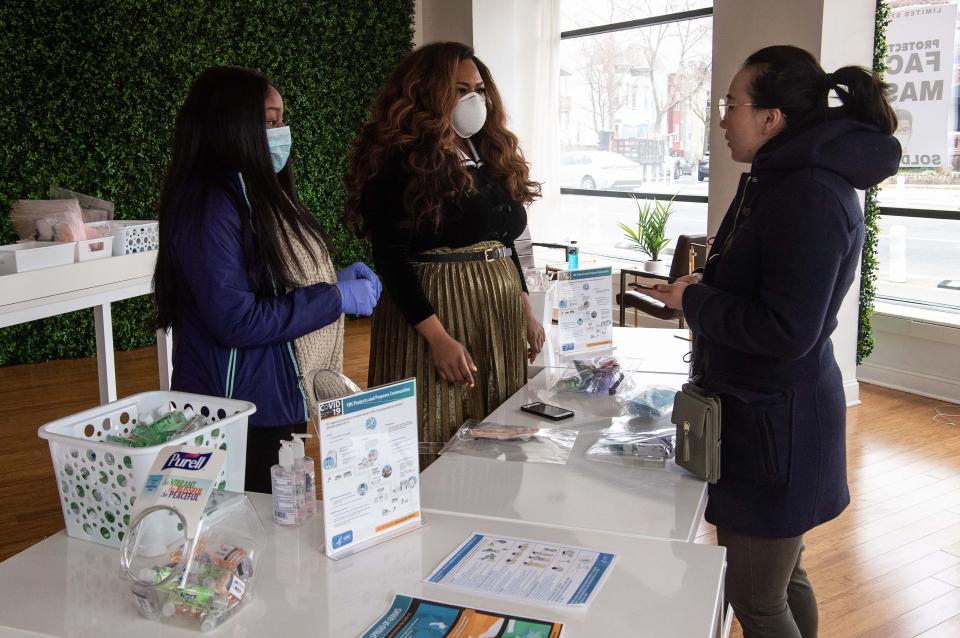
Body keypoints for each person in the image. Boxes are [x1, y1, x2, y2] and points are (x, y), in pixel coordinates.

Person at [645, 46, 900, 637]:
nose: (723, 117)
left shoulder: (806, 192)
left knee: (756, 596)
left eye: (731, 103)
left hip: (775, 427)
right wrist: (703, 286)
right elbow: (764, 286)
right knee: (782, 581)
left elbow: (786, 330)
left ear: (771, 118)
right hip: (763, 415)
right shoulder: (777, 179)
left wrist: (696, 301)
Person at [153, 66, 381, 493]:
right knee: (246, 533)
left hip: (269, 395)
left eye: (281, 120)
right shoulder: (209, 205)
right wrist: (333, 298)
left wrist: (328, 280)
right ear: (230, 124)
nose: (281, 132)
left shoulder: (247, 193)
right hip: (237, 408)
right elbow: (236, 320)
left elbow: (259, 282)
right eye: (269, 121)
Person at [344, 42, 544, 465]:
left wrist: (524, 305)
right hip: (439, 312)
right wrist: (437, 337)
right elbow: (390, 256)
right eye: (458, 89)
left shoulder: (487, 153)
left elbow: (506, 242)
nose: (472, 99)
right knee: (439, 421)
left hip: (498, 310)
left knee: (496, 426)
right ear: (426, 93)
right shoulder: (399, 160)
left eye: (477, 88)